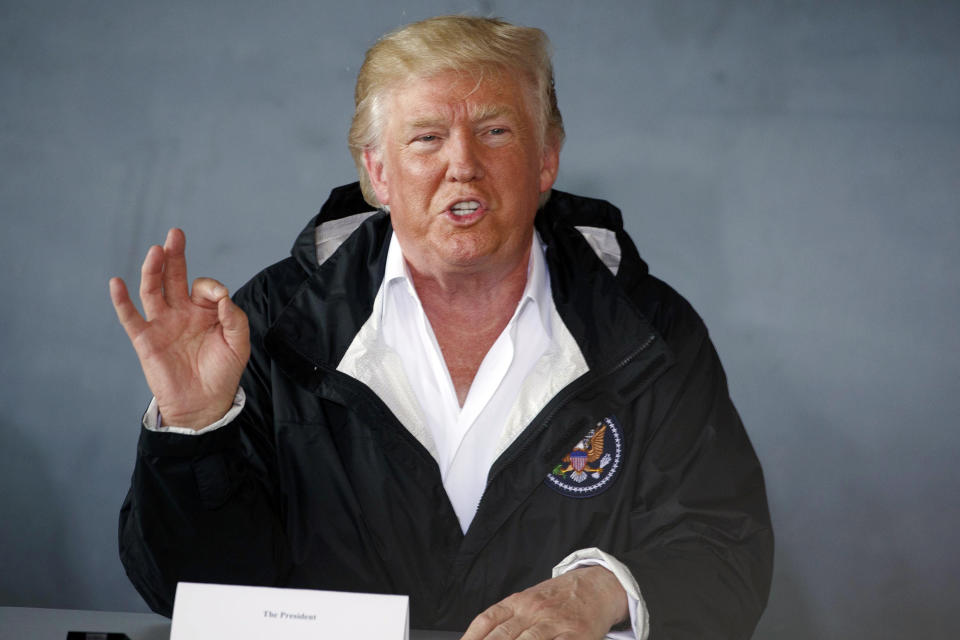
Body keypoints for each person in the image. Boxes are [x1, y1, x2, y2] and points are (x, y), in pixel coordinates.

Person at [110, 16, 772, 640]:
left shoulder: (647, 332)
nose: (463, 163)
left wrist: (602, 590)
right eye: (427, 137)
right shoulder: (273, 324)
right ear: (377, 172)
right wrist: (196, 430)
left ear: (547, 159)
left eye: (496, 131)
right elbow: (187, 590)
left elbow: (727, 552)